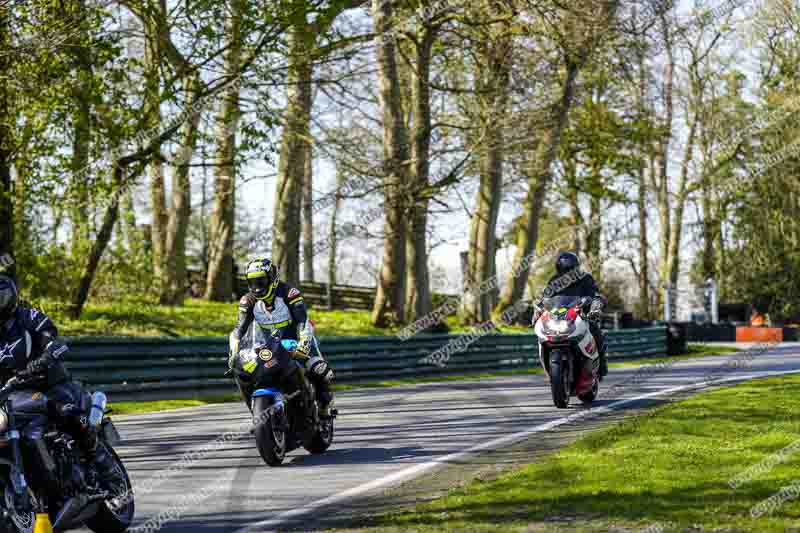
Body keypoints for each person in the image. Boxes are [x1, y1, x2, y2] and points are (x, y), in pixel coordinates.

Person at [0, 275, 122, 488]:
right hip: (15, 395)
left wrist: (43, 360)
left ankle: (106, 467)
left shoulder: (27, 316)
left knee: (67, 413)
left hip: (50, 384)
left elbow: (55, 341)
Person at [230, 257, 335, 416]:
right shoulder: (248, 301)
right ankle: (256, 411)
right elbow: (239, 330)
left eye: (261, 282)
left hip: (296, 340)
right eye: (252, 283)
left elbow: (303, 321)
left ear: (272, 279)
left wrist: (303, 346)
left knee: (319, 369)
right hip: (268, 346)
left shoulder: (289, 293)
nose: (257, 288)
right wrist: (234, 353)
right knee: (242, 371)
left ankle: (324, 405)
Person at [533, 252, 608, 379]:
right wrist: (538, 309)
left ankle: (601, 365)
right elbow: (545, 298)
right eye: (564, 270)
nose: (566, 273)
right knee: (543, 332)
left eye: (569, 269)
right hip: (559, 316)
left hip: (581, 314)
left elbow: (595, 294)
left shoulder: (586, 279)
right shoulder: (554, 281)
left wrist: (595, 307)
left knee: (595, 329)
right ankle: (548, 365)